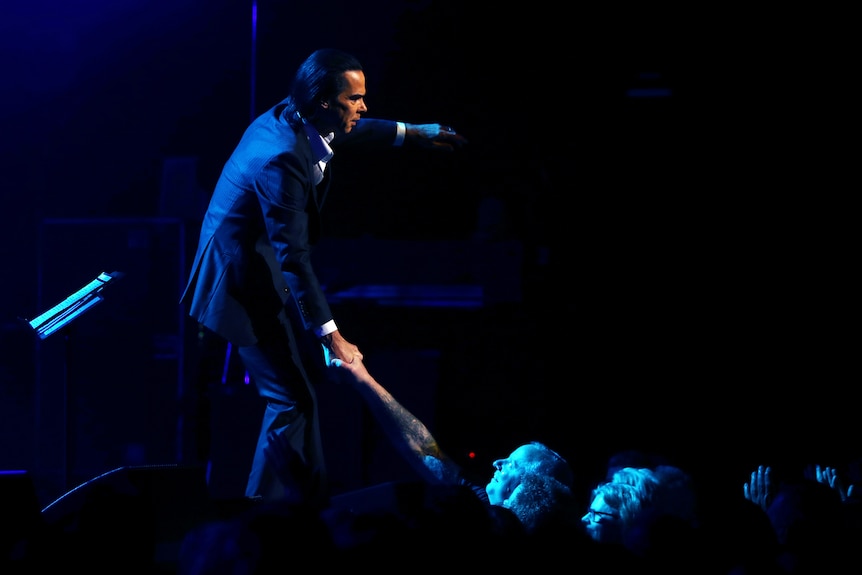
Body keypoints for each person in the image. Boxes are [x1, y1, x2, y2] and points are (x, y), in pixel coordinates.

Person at [180, 47, 467, 504]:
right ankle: (268, 514)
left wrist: (412, 133)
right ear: (324, 104)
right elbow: (292, 255)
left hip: (260, 267)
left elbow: (348, 132)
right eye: (354, 99)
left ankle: (298, 504)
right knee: (292, 400)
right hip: (237, 284)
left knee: (299, 398)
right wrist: (332, 336)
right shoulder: (282, 158)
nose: (364, 106)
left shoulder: (300, 117)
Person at [326, 355, 580, 536]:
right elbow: (424, 450)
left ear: (533, 486)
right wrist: (364, 379)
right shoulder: (476, 500)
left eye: (512, 463)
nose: (496, 463)